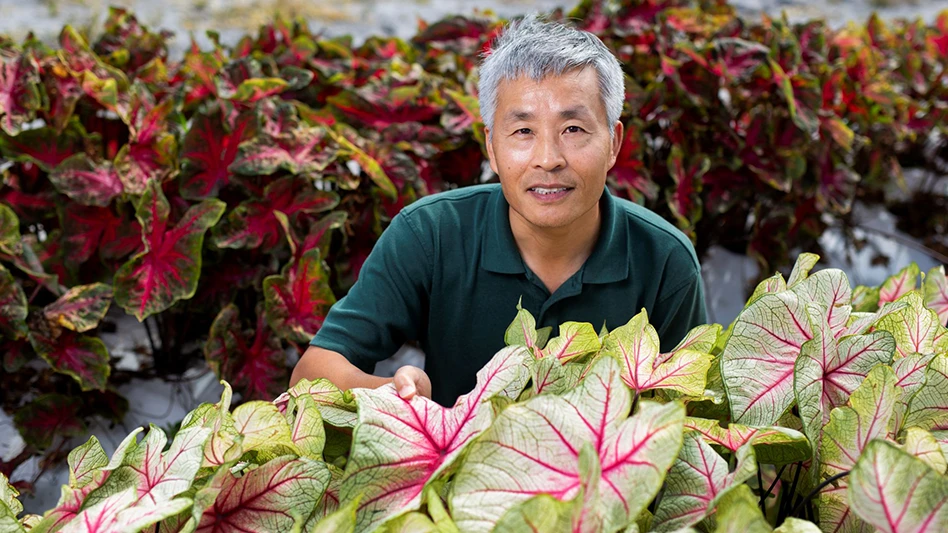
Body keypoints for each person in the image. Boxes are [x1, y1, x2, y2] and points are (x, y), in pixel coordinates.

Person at [289, 15, 707, 406]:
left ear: (614, 143)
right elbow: (311, 375)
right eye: (523, 131)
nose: (548, 158)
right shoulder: (429, 234)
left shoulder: (664, 260)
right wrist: (393, 393)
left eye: (573, 129)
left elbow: (686, 414)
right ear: (491, 145)